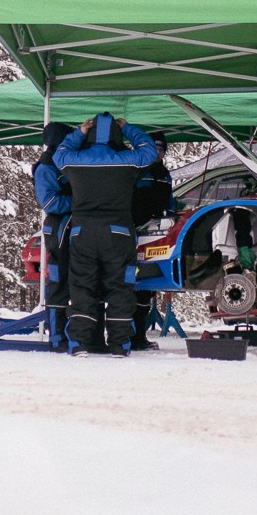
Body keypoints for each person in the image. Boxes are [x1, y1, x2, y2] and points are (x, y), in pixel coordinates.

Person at [53, 113, 161, 355]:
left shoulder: (74, 161)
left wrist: (78, 132)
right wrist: (129, 128)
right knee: (120, 286)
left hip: (82, 232)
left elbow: (59, 153)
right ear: (115, 135)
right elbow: (150, 150)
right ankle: (119, 345)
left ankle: (79, 343)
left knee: (82, 286)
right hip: (118, 232)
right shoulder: (127, 160)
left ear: (91, 135)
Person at [33, 121, 76, 349]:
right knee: (58, 282)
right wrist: (79, 201)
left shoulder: (63, 163)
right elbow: (49, 201)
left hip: (71, 225)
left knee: (76, 280)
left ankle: (72, 333)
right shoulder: (46, 166)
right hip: (58, 227)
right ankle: (57, 337)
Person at [127, 154, 175, 349]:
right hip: (134, 230)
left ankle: (139, 337)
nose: (157, 153)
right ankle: (128, 336)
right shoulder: (137, 169)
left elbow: (169, 201)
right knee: (133, 283)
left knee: (147, 288)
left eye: (161, 149)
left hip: (157, 233)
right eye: (153, 148)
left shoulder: (165, 174)